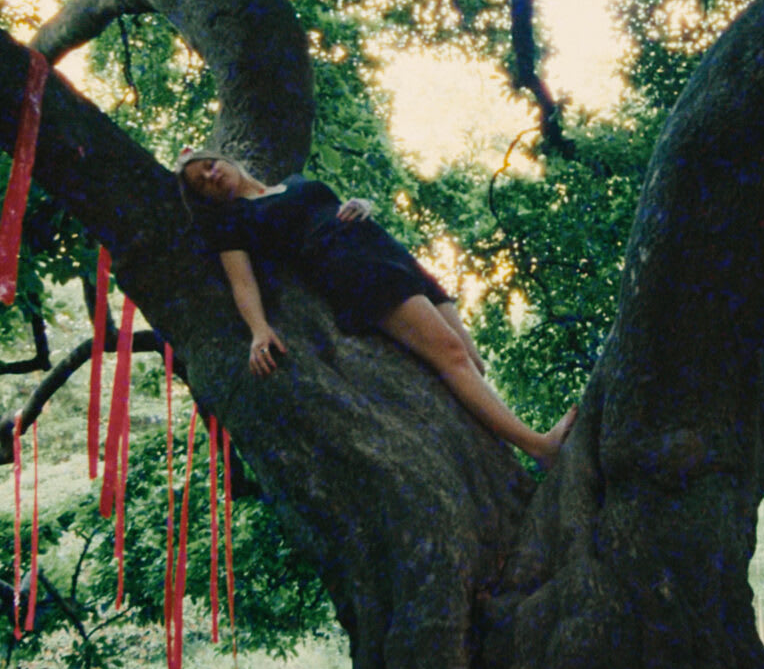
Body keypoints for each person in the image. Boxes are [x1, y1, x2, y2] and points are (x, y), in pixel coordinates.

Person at [177, 148, 570, 463]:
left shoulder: (293, 183)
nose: (211, 177)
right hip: (350, 269)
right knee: (450, 354)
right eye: (202, 183)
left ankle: (509, 456)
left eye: (209, 166)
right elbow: (242, 283)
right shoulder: (234, 221)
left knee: (474, 361)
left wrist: (360, 205)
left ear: (225, 158)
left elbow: (327, 206)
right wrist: (258, 330)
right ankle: (538, 446)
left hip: (385, 251)